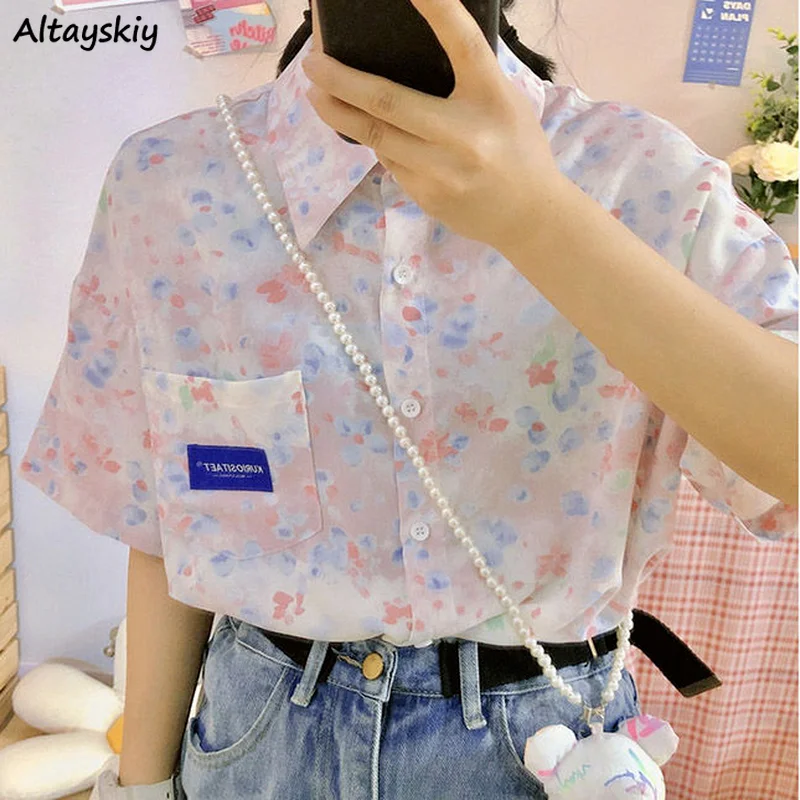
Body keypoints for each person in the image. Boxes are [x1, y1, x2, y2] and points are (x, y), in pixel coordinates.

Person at [18, 0, 798, 797]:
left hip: (546, 748)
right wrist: (141, 786)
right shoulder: (173, 184)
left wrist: (541, 218)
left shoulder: (644, 178)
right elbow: (165, 521)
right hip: (260, 738)